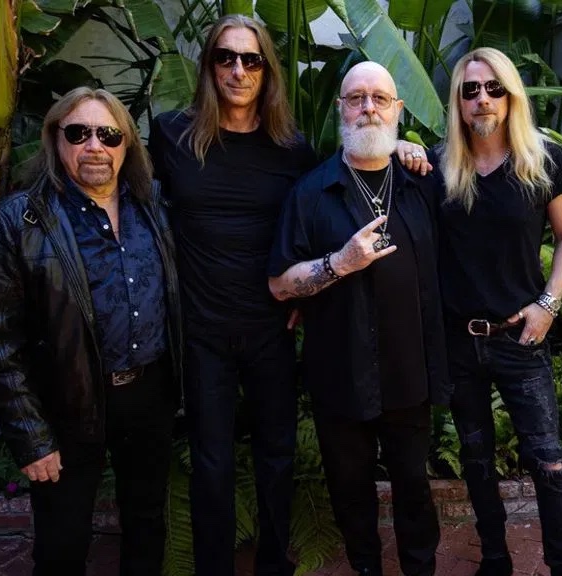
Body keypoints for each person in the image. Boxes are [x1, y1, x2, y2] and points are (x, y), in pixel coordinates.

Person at [148, 17, 430, 575]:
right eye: (225, 58)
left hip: (273, 327)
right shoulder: (172, 136)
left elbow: (338, 182)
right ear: (209, 67)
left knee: (276, 457)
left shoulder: (289, 147)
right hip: (203, 330)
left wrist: (399, 145)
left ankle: (273, 564)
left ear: (266, 71)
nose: (238, 70)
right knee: (211, 462)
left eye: (251, 60)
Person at [0, 87, 181, 576]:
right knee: (62, 542)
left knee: (147, 524)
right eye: (79, 133)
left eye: (108, 134)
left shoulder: (152, 205)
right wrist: (31, 437)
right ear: (55, 139)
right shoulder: (17, 222)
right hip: (67, 402)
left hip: (148, 395)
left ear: (126, 143)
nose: (94, 146)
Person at [268, 61, 448, 576]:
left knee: (414, 487)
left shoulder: (422, 183)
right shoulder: (311, 192)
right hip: (339, 373)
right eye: (356, 98)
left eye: (379, 98)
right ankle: (366, 566)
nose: (368, 108)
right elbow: (280, 283)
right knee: (349, 490)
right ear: (340, 109)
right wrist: (339, 263)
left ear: (398, 110)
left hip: (409, 371)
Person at [435, 47, 562, 576]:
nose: (483, 98)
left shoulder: (542, 161)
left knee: (548, 460)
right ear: (458, 101)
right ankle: (495, 560)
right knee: (475, 459)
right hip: (459, 339)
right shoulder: (438, 166)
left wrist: (548, 304)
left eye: (494, 87)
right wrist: (402, 147)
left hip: (521, 335)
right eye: (471, 89)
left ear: (511, 95)